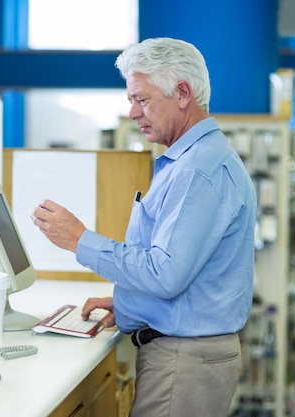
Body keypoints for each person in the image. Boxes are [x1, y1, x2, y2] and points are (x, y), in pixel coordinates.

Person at [31, 37, 257, 417]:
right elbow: (183, 273)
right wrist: (129, 305)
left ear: (183, 93)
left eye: (142, 99)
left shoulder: (198, 170)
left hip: (184, 363)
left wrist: (80, 240)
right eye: (130, 101)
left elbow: (165, 273)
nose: (134, 113)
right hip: (183, 357)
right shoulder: (190, 161)